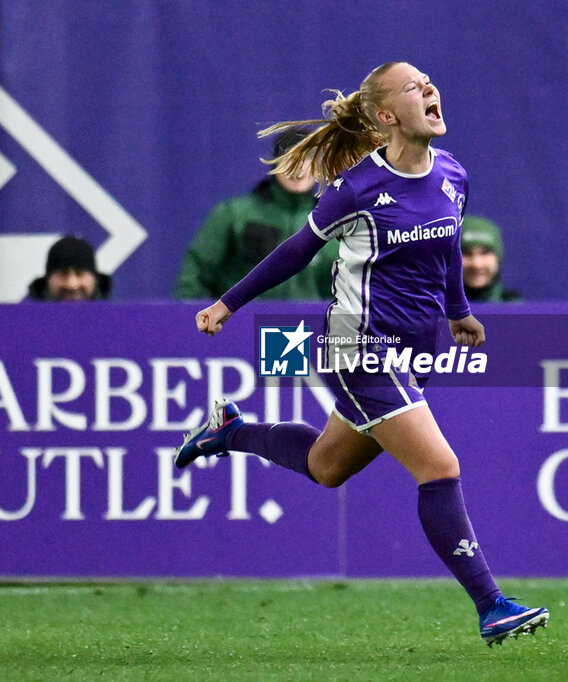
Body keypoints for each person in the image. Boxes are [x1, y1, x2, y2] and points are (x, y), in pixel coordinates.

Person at [174, 62, 548, 645]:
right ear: (384, 114)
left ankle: (230, 432)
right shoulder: (358, 188)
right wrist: (228, 303)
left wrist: (458, 311)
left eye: (429, 81)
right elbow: (296, 252)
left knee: (327, 467)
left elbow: (447, 252)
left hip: (413, 352)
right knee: (440, 467)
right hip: (357, 347)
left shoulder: (453, 174)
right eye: (412, 86)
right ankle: (492, 604)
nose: (429, 88)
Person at [174, 128, 340, 300]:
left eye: (307, 158)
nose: (297, 168)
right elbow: (195, 272)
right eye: (288, 158)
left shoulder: (334, 225)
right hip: (242, 324)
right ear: (274, 164)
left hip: (310, 325)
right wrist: (186, 322)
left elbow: (351, 290)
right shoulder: (234, 214)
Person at [27, 236, 111, 301]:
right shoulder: (26, 320)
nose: (72, 284)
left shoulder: (119, 320)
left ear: (95, 279)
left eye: (80, 274)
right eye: (62, 274)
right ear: (48, 280)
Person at [460, 216, 521, 302]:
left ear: (498, 258)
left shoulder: (515, 309)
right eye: (466, 253)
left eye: (484, 253)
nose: (476, 264)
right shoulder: (437, 310)